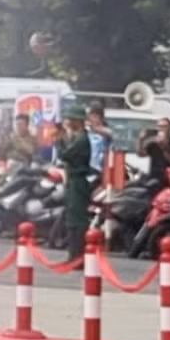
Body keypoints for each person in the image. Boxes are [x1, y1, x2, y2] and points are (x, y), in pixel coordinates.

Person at [57, 104, 96, 263]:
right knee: (71, 219)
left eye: (71, 119)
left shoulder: (81, 140)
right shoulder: (76, 138)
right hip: (72, 180)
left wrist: (59, 141)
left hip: (79, 181)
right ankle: (73, 255)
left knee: (78, 220)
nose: (68, 122)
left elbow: (65, 155)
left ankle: (78, 257)